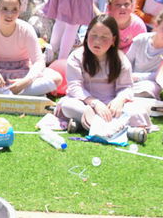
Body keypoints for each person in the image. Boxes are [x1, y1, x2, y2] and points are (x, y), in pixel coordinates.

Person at [54, 14, 147, 142]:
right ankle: (123, 130)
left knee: (137, 110)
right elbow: (75, 87)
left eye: (104, 37)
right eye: (94, 35)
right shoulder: (76, 57)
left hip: (111, 105)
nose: (97, 41)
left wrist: (119, 100)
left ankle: (85, 125)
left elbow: (126, 87)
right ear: (86, 36)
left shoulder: (120, 60)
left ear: (113, 40)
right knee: (69, 106)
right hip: (85, 102)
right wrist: (95, 103)